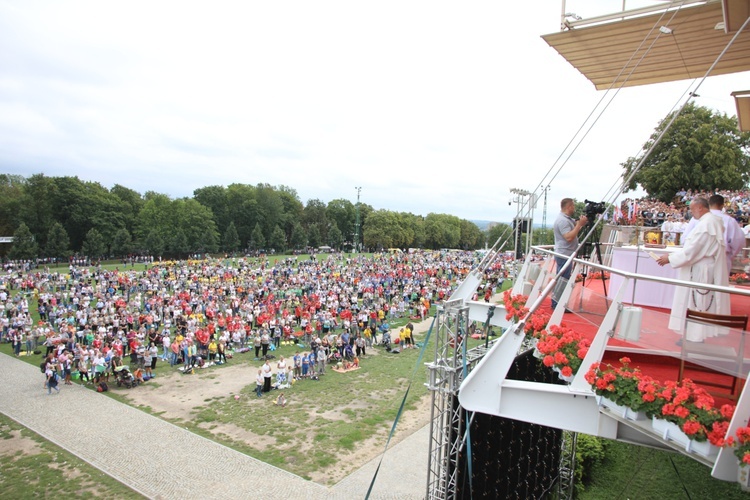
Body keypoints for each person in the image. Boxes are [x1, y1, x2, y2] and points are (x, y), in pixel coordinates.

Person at [656, 197, 730, 341]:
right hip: (701, 266)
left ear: (700, 208)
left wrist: (669, 258)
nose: (691, 213)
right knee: (698, 302)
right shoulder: (708, 222)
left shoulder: (707, 225)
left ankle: (695, 337)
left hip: (701, 269)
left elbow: (693, 251)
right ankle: (694, 335)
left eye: (692, 209)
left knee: (698, 303)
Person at [683, 194, 744, 275]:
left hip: (698, 258)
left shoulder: (696, 218)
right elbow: (738, 242)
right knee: (718, 284)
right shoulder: (729, 220)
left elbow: (685, 239)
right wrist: (730, 256)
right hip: (721, 258)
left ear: (709, 204)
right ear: (722, 205)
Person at [552, 198, 588, 310]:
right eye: (573, 206)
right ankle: (557, 304)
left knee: (563, 279)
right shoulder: (563, 220)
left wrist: (580, 223)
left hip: (566, 253)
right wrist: (579, 226)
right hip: (564, 254)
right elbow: (568, 237)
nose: (574, 208)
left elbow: (574, 225)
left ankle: (558, 302)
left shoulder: (566, 219)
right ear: (569, 207)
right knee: (563, 279)